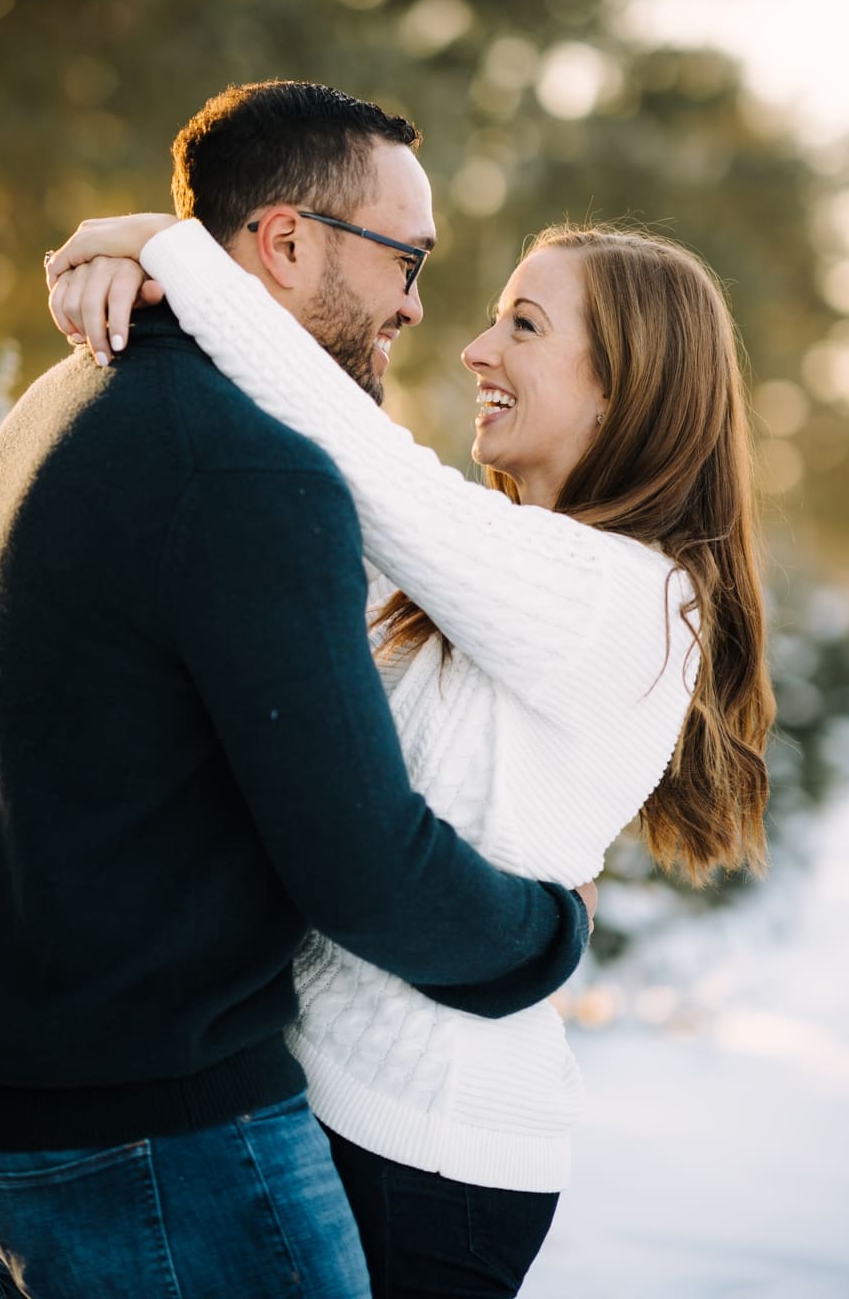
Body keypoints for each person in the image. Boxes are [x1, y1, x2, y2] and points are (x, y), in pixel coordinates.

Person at [0, 83, 599, 1299]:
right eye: (407, 260)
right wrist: (549, 933)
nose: (416, 305)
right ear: (284, 242)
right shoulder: (247, 471)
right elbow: (361, 865)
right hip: (154, 1138)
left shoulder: (66, 396)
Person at [46, 161, 773, 1294]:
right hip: (331, 1111)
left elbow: (360, 456)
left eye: (523, 326)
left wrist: (166, 245)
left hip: (426, 1160)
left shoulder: (622, 595)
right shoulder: (497, 576)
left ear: (625, 391)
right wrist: (136, 285)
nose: (475, 351)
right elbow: (296, 477)